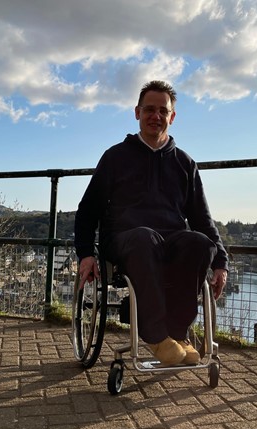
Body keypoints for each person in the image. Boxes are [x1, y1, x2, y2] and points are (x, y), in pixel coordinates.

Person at [74, 80, 228, 366]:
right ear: (137, 112)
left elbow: (202, 219)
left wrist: (221, 262)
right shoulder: (115, 158)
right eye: (149, 109)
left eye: (162, 110)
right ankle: (155, 335)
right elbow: (87, 211)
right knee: (145, 238)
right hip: (124, 239)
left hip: (170, 240)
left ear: (172, 117)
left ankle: (177, 333)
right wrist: (85, 253)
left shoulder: (184, 163)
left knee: (200, 243)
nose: (155, 116)